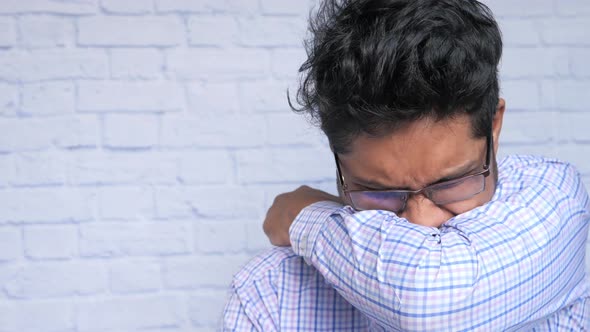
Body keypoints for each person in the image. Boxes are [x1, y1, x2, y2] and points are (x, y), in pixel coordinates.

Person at [222, 0, 590, 330]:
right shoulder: (270, 294)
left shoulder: (556, 201)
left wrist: (305, 217)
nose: (420, 222)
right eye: (381, 192)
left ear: (493, 126)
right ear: (338, 157)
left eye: (451, 183)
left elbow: (430, 305)